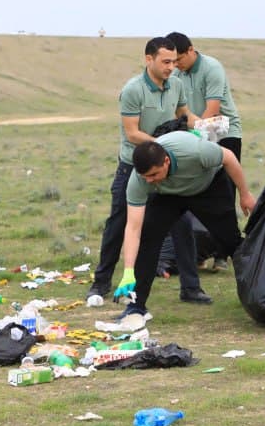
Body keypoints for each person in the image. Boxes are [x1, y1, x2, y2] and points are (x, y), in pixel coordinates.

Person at [87, 37, 206, 304]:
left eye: (174, 62)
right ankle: (100, 284)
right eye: (165, 62)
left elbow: (185, 114)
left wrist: (205, 126)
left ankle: (191, 288)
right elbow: (132, 134)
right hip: (134, 165)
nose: (171, 67)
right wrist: (163, 144)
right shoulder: (133, 90)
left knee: (182, 223)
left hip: (164, 166)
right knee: (118, 224)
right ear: (148, 59)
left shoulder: (176, 85)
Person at [111, 133, 255, 321]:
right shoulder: (140, 181)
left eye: (153, 174)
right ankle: (136, 307)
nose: (148, 180)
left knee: (231, 241)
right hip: (167, 196)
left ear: (166, 162)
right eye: (144, 176)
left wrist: (245, 194)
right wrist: (128, 271)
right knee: (148, 241)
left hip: (208, 188)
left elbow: (229, 157)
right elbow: (133, 229)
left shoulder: (196, 151)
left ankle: (257, 296)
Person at [162, 31, 244, 273]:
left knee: (225, 193)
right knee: (198, 191)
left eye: (179, 60)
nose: (175, 66)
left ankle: (224, 253)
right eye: (172, 62)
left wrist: (195, 135)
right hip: (195, 135)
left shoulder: (212, 68)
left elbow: (213, 109)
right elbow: (178, 109)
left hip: (224, 133)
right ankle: (199, 249)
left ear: (190, 50)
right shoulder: (177, 74)